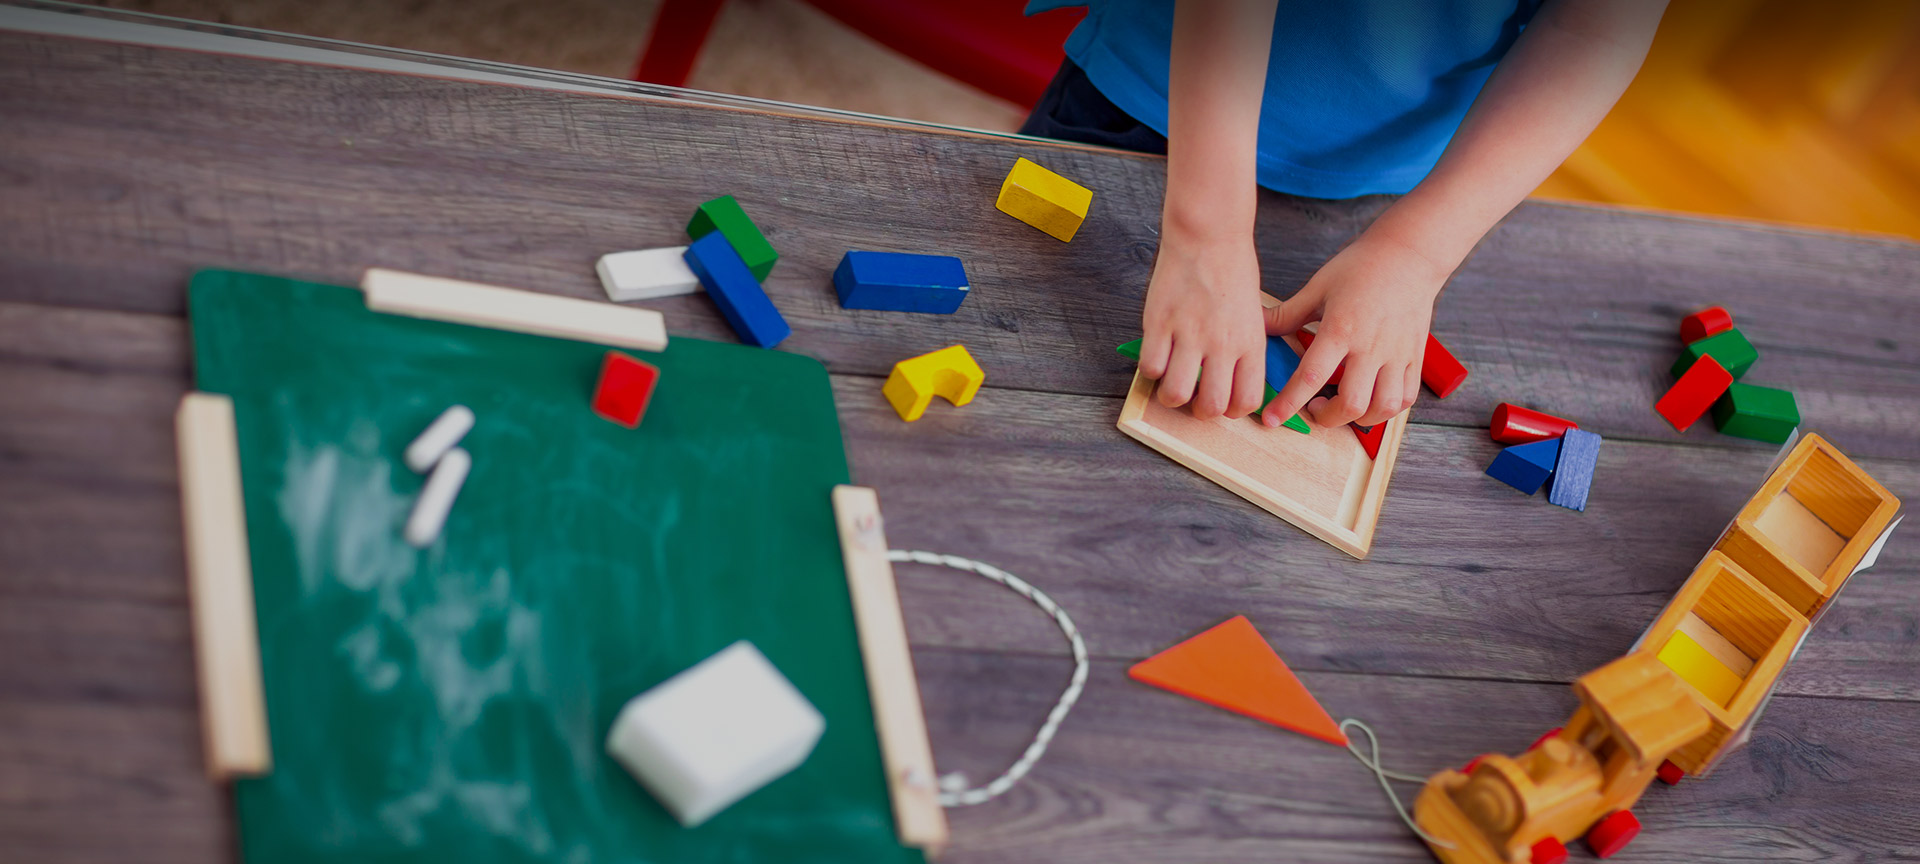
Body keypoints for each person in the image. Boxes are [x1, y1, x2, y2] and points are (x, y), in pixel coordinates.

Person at [1022, 0, 1668, 429]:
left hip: (1389, 180)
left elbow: (1595, 28)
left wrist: (1415, 254)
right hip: (1161, 98)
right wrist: (1205, 231)